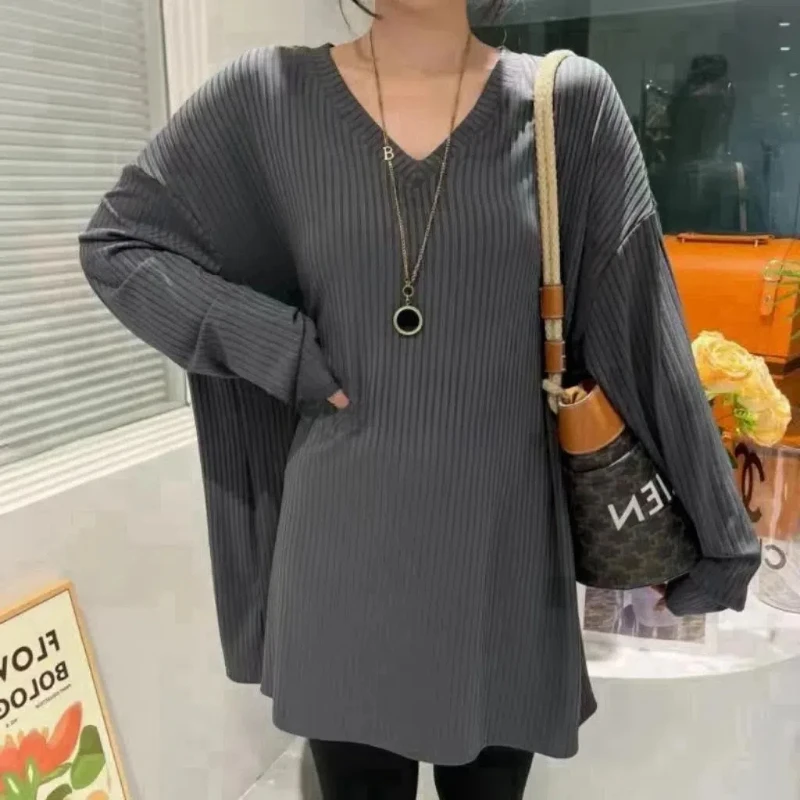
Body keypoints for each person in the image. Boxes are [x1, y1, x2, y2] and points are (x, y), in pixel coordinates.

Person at [79, 0, 760, 797]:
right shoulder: (269, 98)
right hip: (342, 555)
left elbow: (638, 322)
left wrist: (719, 535)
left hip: (503, 559)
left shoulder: (566, 105)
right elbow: (120, 245)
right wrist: (274, 344)